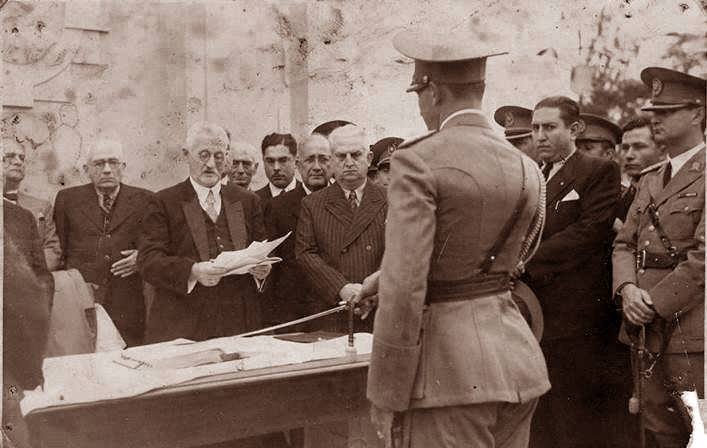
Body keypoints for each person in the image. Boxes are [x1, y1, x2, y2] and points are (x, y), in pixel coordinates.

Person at [360, 29, 550, 448]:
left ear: (432, 92)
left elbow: (404, 285)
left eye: (418, 93)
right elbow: (514, 257)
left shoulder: (416, 159)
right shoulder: (524, 164)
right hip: (517, 362)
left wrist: (387, 392)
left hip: (448, 377)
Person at [613, 67, 705, 448]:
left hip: (692, 329)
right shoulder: (652, 177)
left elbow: (704, 258)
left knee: (698, 431)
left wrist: (652, 302)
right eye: (654, 112)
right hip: (645, 329)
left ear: (698, 114)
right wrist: (627, 289)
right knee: (656, 431)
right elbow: (624, 244)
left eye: (666, 111)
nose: (655, 119)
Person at [524, 96, 621, 447]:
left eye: (549, 127)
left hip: (577, 317)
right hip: (536, 312)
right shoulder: (533, 174)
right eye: (535, 128)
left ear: (575, 129)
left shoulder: (598, 170)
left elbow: (590, 231)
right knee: (541, 414)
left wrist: (525, 262)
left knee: (575, 417)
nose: (540, 136)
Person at [139, 122, 270, 343]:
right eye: (203, 155)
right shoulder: (163, 202)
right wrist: (193, 270)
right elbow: (148, 262)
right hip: (183, 323)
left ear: (227, 158)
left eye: (219, 156)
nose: (211, 164)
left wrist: (262, 271)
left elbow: (262, 251)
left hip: (238, 324)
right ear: (186, 155)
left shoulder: (247, 201)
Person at [54, 139, 152, 347]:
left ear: (123, 167)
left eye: (113, 162)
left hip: (128, 303)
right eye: (99, 164)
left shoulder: (146, 199)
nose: (107, 170)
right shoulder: (67, 200)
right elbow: (59, 249)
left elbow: (157, 244)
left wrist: (141, 257)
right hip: (82, 300)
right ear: (86, 169)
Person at [295, 124, 387, 333]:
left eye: (356, 155)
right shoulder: (313, 204)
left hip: (379, 311)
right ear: (332, 161)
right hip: (332, 311)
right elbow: (305, 254)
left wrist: (373, 292)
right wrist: (342, 288)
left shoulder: (390, 199)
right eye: (340, 156)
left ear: (369, 157)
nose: (349, 163)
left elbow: (400, 252)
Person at [263, 134, 334, 328]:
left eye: (324, 159)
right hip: (294, 316)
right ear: (298, 164)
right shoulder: (278, 207)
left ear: (333, 162)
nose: (317, 167)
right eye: (310, 159)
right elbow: (272, 268)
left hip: (336, 311)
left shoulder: (345, 202)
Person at [3, 200, 53, 448]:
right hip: (8, 376)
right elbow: (30, 304)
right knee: (12, 415)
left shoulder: (18, 216)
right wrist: (28, 371)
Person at [3, 136, 62, 270]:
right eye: (10, 156)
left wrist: (30, 277)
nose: (18, 162)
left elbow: (52, 249)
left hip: (33, 282)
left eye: (22, 158)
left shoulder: (41, 207)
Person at [615, 116, 666, 223]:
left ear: (662, 151)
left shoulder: (669, 193)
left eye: (639, 147)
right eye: (625, 148)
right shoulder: (620, 197)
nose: (629, 155)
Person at [254, 132, 300, 202]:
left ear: (296, 162)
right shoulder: (254, 201)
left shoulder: (309, 196)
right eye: (270, 161)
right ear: (263, 162)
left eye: (283, 160)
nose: (276, 168)